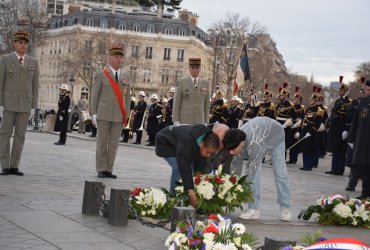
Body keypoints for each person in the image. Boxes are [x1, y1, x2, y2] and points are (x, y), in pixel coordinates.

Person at [231, 116, 292, 221]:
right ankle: (254, 208)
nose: (231, 153)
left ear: (241, 144)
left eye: (233, 150)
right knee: (243, 163)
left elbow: (251, 172)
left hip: (276, 135)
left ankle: (285, 207)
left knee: (279, 172)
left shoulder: (254, 144)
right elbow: (235, 167)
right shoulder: (235, 138)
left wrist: (243, 190)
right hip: (260, 133)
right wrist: (231, 187)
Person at [0, 31, 39, 176]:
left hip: (25, 104)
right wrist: (0, 104)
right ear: (14, 44)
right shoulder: (5, 59)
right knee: (4, 134)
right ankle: (4, 165)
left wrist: (34, 106)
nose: (23, 45)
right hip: (8, 103)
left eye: (25, 43)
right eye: (20, 42)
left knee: (20, 135)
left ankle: (14, 165)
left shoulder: (33, 62)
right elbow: (0, 82)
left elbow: (35, 85)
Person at [155, 124, 220, 206]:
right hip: (165, 142)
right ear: (202, 144)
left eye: (211, 153)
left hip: (178, 143)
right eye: (208, 152)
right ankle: (172, 198)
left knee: (192, 172)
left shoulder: (206, 137)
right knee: (178, 168)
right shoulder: (187, 140)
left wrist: (199, 175)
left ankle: (184, 196)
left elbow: (200, 159)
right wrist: (191, 193)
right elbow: (184, 168)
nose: (208, 155)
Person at [91, 45, 131, 178]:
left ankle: (109, 169)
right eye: (116, 57)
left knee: (113, 144)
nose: (119, 60)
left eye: (121, 57)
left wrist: (127, 115)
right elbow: (95, 94)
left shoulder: (126, 75)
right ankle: (101, 168)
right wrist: (94, 113)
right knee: (102, 142)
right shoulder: (102, 74)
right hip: (103, 114)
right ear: (110, 58)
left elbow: (127, 98)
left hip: (118, 115)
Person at [347, 79, 370, 199]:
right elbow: (355, 122)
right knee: (364, 167)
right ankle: (365, 193)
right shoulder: (362, 103)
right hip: (362, 140)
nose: (368, 92)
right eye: (367, 90)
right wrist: (351, 139)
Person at [326, 76, 352, 175]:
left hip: (342, 126)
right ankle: (334, 168)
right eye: (340, 90)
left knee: (341, 149)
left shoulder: (349, 102)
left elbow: (348, 117)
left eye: (342, 91)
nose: (340, 92)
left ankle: (339, 169)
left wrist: (346, 129)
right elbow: (333, 113)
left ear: (346, 91)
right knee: (334, 148)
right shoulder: (338, 101)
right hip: (335, 126)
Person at [172, 58, 210, 125]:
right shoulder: (181, 82)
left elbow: (206, 105)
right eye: (192, 68)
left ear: (200, 68)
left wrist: (206, 121)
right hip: (184, 120)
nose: (195, 70)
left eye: (197, 68)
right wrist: (176, 120)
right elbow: (176, 103)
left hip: (200, 120)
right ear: (189, 68)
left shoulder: (205, 83)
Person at [295, 86, 323, 171]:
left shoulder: (319, 110)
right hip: (304, 131)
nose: (310, 101)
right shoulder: (307, 109)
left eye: (312, 100)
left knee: (309, 149)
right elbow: (302, 121)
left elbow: (317, 124)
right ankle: (305, 165)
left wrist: (310, 132)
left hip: (311, 133)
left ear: (316, 101)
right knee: (304, 148)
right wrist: (299, 131)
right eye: (310, 99)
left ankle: (309, 166)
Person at [345, 77, 365, 191]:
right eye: (363, 91)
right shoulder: (357, 102)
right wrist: (350, 138)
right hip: (357, 134)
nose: (364, 93)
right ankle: (351, 183)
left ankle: (365, 186)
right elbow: (351, 118)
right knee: (354, 161)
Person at [287, 87, 305, 164]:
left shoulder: (301, 108)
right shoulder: (291, 107)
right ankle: (291, 159)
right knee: (290, 143)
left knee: (294, 144)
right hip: (290, 126)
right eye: (294, 98)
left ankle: (294, 159)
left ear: (299, 100)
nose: (294, 99)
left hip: (297, 127)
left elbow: (302, 119)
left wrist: (299, 131)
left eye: (296, 98)